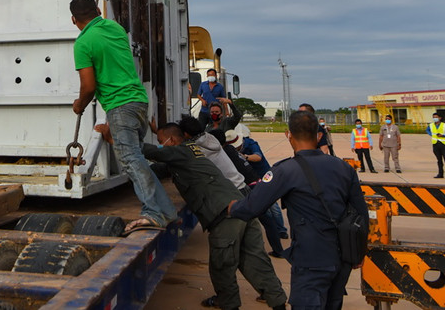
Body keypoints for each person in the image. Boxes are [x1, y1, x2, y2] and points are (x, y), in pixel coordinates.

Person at [229, 111, 369, 309]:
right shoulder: (343, 168)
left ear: (289, 135)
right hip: (342, 258)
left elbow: (252, 206)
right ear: (319, 136)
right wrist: (359, 252)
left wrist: (232, 208)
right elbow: (362, 214)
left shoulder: (285, 170)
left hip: (311, 258)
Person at [143, 121, 287, 310]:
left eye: (162, 140)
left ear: (173, 140)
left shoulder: (182, 150)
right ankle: (278, 303)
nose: (162, 144)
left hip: (225, 214)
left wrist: (118, 138)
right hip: (241, 207)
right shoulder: (190, 153)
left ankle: (229, 304)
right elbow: (160, 169)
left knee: (222, 266)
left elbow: (153, 152)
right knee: (255, 259)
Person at [69, 0, 176, 233]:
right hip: (139, 102)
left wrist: (80, 105)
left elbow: (88, 86)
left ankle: (153, 212)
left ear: (73, 20)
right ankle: (166, 210)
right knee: (137, 160)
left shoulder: (83, 43)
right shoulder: (115, 28)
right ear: (97, 10)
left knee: (131, 161)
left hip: (120, 106)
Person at [240, 134, 290, 241]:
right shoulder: (235, 147)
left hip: (265, 176)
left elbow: (258, 157)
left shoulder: (251, 144)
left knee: (273, 206)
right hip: (253, 180)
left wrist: (245, 157)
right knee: (265, 206)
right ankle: (274, 228)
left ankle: (281, 230)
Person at [426, 112, 445, 178]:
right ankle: (440, 174)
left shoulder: (443, 125)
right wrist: (431, 134)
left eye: (436, 117)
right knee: (439, 160)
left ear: (440, 118)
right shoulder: (431, 125)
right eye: (434, 117)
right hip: (435, 144)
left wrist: (443, 135)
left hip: (443, 144)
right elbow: (427, 130)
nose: (435, 119)